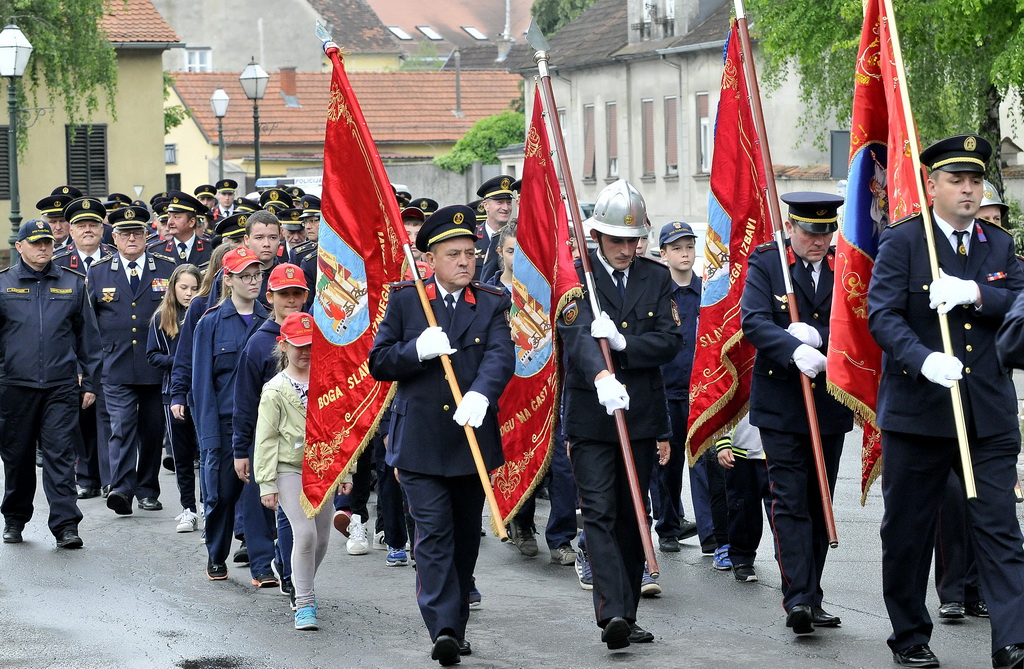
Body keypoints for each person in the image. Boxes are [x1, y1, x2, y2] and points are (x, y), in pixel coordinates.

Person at [870, 134, 1024, 669]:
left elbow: (1020, 298)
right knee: (908, 531)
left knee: (1000, 528)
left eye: (975, 180)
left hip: (988, 412)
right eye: (956, 180)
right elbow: (882, 315)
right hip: (919, 412)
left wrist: (978, 293)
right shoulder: (904, 242)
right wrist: (922, 359)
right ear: (930, 185)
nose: (967, 189)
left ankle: (1012, 641)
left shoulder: (998, 245)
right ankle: (910, 635)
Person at [369, 204, 514, 666]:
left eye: (470, 252)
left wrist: (482, 394)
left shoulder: (490, 302)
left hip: (470, 440)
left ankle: (457, 619)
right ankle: (444, 628)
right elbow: (379, 362)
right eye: (454, 254)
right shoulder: (408, 300)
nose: (465, 261)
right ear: (430, 260)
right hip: (421, 442)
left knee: (466, 538)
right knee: (433, 535)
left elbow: (500, 355)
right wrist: (416, 349)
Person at [557, 179, 681, 650]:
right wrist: (602, 375)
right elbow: (576, 336)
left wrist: (627, 347)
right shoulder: (578, 274)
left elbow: (671, 340)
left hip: (641, 415)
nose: (627, 249)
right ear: (597, 236)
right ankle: (610, 611)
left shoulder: (656, 277)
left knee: (634, 513)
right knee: (601, 512)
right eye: (617, 240)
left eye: (633, 240)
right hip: (592, 415)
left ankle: (627, 614)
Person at [740, 191, 852, 636]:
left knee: (817, 498)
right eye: (810, 231)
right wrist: (792, 347)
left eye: (826, 232)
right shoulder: (767, 263)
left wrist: (820, 337)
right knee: (789, 499)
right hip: (783, 402)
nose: (819, 241)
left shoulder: (844, 264)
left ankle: (813, 592)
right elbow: (753, 320)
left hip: (827, 400)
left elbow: (857, 319)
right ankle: (798, 598)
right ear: (791, 227)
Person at [0, 220, 100, 548]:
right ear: (20, 246)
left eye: (47, 242)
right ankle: (15, 519)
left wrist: (90, 384)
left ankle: (66, 525)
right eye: (36, 243)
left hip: (60, 385)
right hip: (15, 386)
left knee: (60, 454)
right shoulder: (4, 285)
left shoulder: (71, 284)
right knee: (18, 457)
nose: (44, 248)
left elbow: (88, 339)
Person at [255, 312, 350, 631]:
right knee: (305, 534)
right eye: (298, 345)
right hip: (288, 470)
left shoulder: (328, 381)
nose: (305, 351)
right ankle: (304, 602)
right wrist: (267, 483)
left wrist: (346, 472)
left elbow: (340, 428)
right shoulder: (275, 389)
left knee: (322, 540)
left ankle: (303, 581)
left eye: (311, 344)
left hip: (323, 469)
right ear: (283, 345)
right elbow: (265, 438)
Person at [83, 202, 176, 516]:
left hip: (155, 364)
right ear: (116, 237)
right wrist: (90, 364)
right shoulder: (98, 272)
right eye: (125, 234)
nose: (131, 239)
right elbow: (88, 323)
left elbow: (177, 313)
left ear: (146, 235)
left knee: (151, 430)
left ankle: (148, 489)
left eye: (137, 232)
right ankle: (121, 489)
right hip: (116, 364)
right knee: (122, 427)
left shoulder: (166, 267)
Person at [186, 246, 269, 581]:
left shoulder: (269, 320)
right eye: (246, 276)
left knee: (260, 494)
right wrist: (207, 437)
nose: (253, 282)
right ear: (229, 279)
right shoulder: (210, 323)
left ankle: (263, 562)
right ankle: (216, 553)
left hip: (264, 423)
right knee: (221, 495)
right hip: (223, 423)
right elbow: (201, 385)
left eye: (257, 275)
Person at [233, 263, 309, 590]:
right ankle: (263, 563)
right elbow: (244, 400)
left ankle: (287, 567)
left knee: (296, 519)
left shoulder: (313, 337)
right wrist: (241, 449)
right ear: (270, 297)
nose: (290, 300)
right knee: (261, 501)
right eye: (283, 294)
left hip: (303, 443)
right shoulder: (258, 343)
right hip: (267, 439)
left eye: (296, 294)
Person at [653, 221, 702, 553]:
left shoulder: (706, 291)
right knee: (666, 462)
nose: (685, 254)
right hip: (667, 389)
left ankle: (712, 531)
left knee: (705, 461)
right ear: (664, 254)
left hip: (699, 388)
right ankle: (668, 526)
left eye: (689, 247)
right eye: (677, 248)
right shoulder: (659, 293)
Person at [147, 263, 202, 532]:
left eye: (194, 288)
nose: (189, 293)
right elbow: (152, 354)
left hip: (201, 392)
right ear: (173, 288)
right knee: (181, 455)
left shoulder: (205, 312)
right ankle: (188, 508)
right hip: (173, 393)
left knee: (206, 454)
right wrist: (179, 361)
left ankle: (208, 504)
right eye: (183, 288)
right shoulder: (162, 316)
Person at [715, 414, 771, 583]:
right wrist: (722, 441)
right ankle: (742, 558)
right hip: (741, 452)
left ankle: (790, 564)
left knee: (784, 514)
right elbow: (722, 400)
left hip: (780, 452)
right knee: (743, 509)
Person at [148, 191, 212, 269]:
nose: (170, 222)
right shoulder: (155, 251)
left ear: (191, 222)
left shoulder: (210, 249)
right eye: (169, 217)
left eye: (176, 217)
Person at [473, 175, 515, 280]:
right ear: (486, 205)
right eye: (500, 202)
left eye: (509, 202)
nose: (506, 208)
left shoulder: (519, 237)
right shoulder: (472, 239)